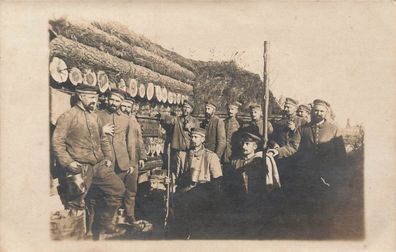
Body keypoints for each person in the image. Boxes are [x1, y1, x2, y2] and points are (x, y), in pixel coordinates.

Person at [52, 84, 125, 239]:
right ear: (80, 96)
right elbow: (57, 142)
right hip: (80, 167)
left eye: (96, 97)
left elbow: (103, 139)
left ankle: (104, 226)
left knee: (118, 188)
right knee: (76, 205)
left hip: (98, 165)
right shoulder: (68, 116)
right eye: (92, 97)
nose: (95, 101)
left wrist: (108, 158)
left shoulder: (94, 116)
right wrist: (68, 163)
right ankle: (76, 238)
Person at [268, 99, 347, 237]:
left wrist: (340, 173)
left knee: (326, 204)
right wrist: (278, 151)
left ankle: (325, 231)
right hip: (307, 174)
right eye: (316, 110)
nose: (318, 113)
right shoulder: (303, 129)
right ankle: (308, 233)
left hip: (327, 175)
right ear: (312, 112)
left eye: (321, 111)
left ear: (326, 113)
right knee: (308, 204)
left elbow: (341, 154)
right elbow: (293, 146)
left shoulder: (334, 129)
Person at [97, 89, 146, 224]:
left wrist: (131, 162)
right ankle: (110, 221)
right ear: (107, 99)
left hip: (123, 161)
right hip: (106, 161)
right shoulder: (98, 115)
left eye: (117, 101)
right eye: (112, 99)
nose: (114, 103)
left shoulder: (126, 119)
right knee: (111, 192)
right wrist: (101, 130)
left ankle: (129, 217)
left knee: (129, 190)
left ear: (120, 102)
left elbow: (130, 143)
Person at [171, 128, 223, 238]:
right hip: (185, 190)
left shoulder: (211, 156)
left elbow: (217, 181)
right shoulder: (182, 155)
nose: (193, 139)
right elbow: (177, 176)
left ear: (203, 139)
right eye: (192, 137)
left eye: (196, 137)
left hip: (204, 191)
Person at [157, 100, 200, 185]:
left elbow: (198, 136)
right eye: (184, 107)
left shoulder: (195, 122)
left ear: (191, 110)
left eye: (188, 107)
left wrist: (190, 129)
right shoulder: (177, 119)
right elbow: (168, 119)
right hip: (177, 151)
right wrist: (161, 115)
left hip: (189, 151)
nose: (185, 109)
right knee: (176, 173)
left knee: (189, 172)